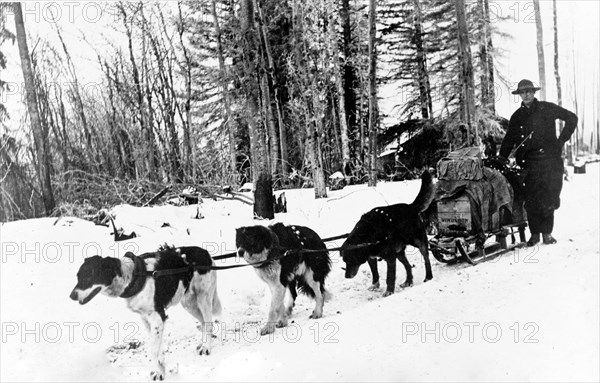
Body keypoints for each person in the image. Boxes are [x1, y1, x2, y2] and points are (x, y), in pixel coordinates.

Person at [499, 79, 578, 246]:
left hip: (550, 162)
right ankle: (534, 234)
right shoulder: (517, 116)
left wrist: (561, 140)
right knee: (531, 199)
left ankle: (547, 234)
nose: (526, 94)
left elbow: (572, 118)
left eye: (529, 91)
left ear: (534, 92)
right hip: (528, 164)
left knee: (549, 197)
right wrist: (501, 158)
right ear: (519, 94)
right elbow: (508, 141)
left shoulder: (547, 108)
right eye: (523, 92)